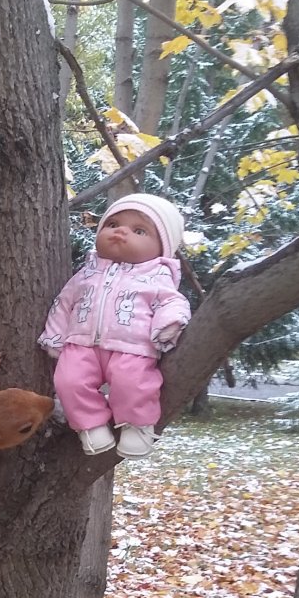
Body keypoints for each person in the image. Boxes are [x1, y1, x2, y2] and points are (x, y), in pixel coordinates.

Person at [38, 193, 191, 458]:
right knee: (68, 381)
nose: (121, 231)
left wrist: (170, 324)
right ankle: (91, 425)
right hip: (80, 344)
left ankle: (137, 426)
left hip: (132, 347)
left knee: (133, 383)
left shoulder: (157, 276)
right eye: (112, 224)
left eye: (139, 230)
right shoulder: (87, 272)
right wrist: (54, 336)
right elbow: (64, 303)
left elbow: (172, 302)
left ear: (162, 247)